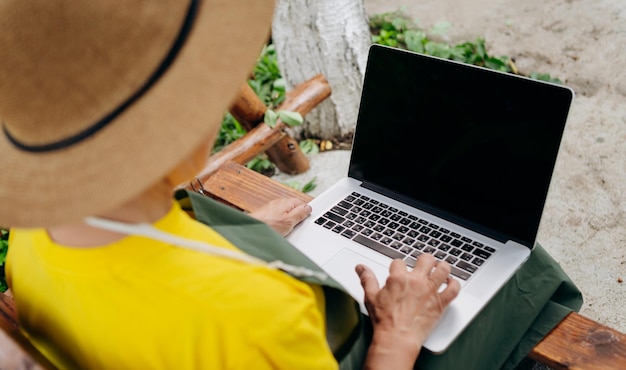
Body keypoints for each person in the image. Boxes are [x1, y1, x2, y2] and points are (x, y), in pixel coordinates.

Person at [0, 0, 459, 369]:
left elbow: (133, 276)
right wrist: (397, 335)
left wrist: (246, 235)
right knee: (523, 278)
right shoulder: (259, 317)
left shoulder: (32, 238)